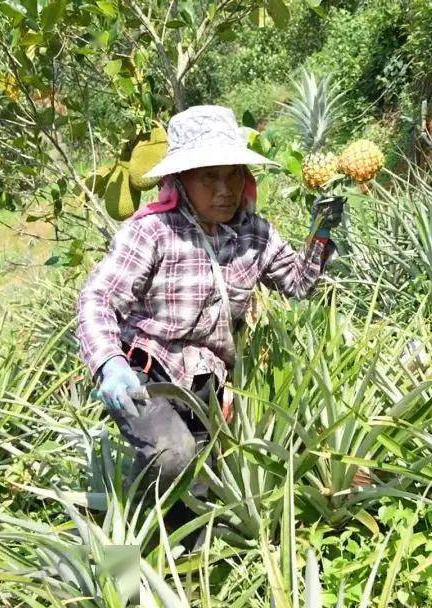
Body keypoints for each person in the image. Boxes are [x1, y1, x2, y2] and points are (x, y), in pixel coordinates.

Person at [75, 105, 342, 530]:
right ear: (180, 180)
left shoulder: (254, 233)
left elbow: (298, 284)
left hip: (208, 382)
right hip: (147, 371)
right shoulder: (152, 232)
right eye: (208, 177)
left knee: (198, 491)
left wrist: (321, 233)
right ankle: (117, 552)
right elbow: (97, 299)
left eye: (233, 173)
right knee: (171, 455)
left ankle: (180, 567)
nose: (225, 189)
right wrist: (109, 363)